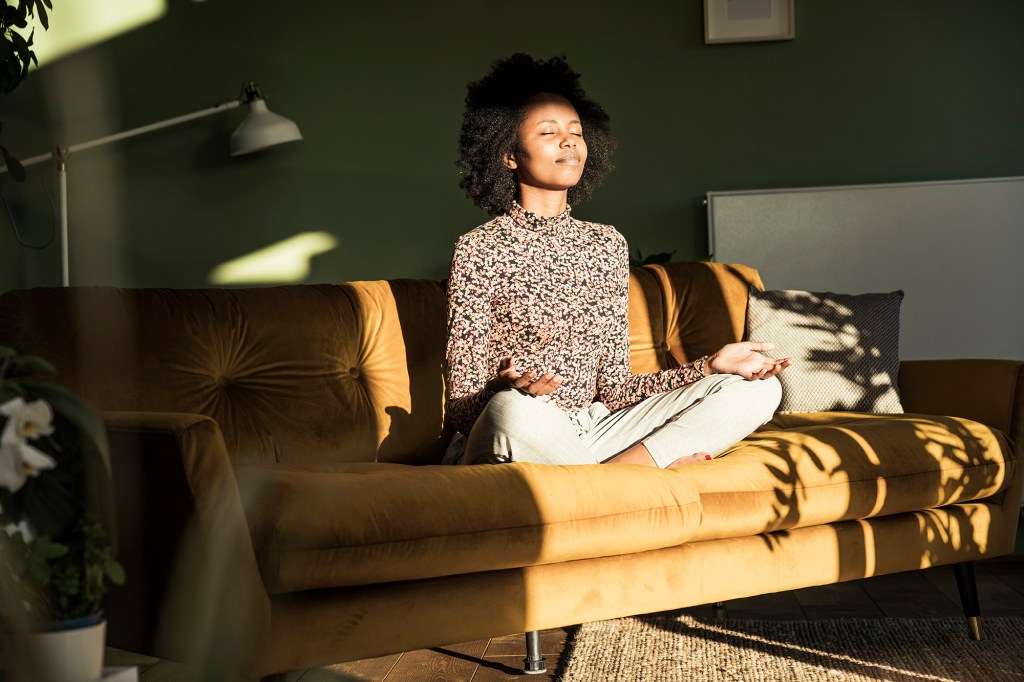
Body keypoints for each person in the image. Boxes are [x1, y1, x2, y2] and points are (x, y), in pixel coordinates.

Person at [444, 54, 791, 468]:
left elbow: (615, 389)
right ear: (508, 155)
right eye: (548, 132)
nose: (570, 141)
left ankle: (625, 474)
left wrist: (710, 365)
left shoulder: (606, 244)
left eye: (576, 131)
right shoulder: (479, 249)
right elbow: (463, 410)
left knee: (758, 391)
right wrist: (501, 390)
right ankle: (632, 482)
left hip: (592, 432)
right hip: (519, 430)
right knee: (511, 410)